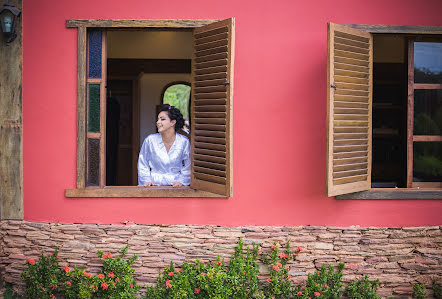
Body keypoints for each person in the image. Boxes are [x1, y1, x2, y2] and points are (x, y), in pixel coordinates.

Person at [138, 104, 190, 187]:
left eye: (162, 119)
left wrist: (181, 181)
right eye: (158, 119)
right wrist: (147, 180)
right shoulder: (150, 140)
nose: (158, 122)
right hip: (154, 185)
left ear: (173, 122)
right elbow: (143, 163)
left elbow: (188, 166)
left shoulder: (184, 142)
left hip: (176, 186)